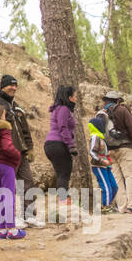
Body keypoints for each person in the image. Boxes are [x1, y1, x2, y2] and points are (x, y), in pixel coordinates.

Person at [0, 75, 41, 226]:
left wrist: (30, 148)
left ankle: (28, 215)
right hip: (6, 153)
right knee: (8, 187)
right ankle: (9, 219)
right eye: (10, 85)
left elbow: (25, 130)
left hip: (21, 153)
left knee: (27, 183)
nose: (13, 88)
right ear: (2, 86)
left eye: (15, 85)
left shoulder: (15, 105)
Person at [100, 90, 132, 213]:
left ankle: (122, 207)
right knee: (131, 176)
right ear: (118, 100)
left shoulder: (101, 113)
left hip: (110, 151)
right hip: (125, 148)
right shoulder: (122, 110)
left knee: (117, 180)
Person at [0, 102, 26, 239]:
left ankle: (1, 229)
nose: (5, 117)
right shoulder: (4, 129)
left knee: (1, 197)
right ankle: (12, 229)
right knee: (9, 197)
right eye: (3, 114)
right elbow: (7, 147)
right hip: (6, 165)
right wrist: (17, 154)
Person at [43, 85, 78, 220]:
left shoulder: (58, 109)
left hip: (51, 145)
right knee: (64, 174)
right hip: (58, 144)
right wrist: (71, 146)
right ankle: (64, 206)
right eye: (74, 96)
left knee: (61, 175)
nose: (76, 99)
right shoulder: (63, 109)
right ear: (69, 97)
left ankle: (62, 204)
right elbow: (63, 128)